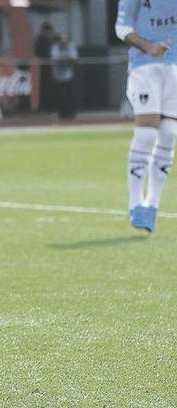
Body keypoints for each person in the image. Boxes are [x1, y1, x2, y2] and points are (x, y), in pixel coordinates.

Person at [116, 0, 177, 233]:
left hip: (173, 67)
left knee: (170, 133)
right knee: (146, 132)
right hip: (144, 66)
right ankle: (135, 203)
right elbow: (121, 28)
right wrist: (148, 46)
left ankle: (152, 205)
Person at [51, 33, 78, 120]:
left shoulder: (71, 46)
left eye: (65, 39)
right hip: (58, 76)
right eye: (62, 39)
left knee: (70, 96)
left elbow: (74, 58)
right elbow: (55, 58)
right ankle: (62, 114)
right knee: (60, 96)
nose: (63, 41)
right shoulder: (55, 47)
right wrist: (65, 59)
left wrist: (65, 59)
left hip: (68, 75)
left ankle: (71, 113)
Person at [34, 22, 56, 111]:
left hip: (49, 68)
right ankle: (43, 106)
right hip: (42, 68)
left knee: (49, 88)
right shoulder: (40, 41)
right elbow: (39, 53)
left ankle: (49, 106)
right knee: (43, 88)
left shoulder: (52, 41)